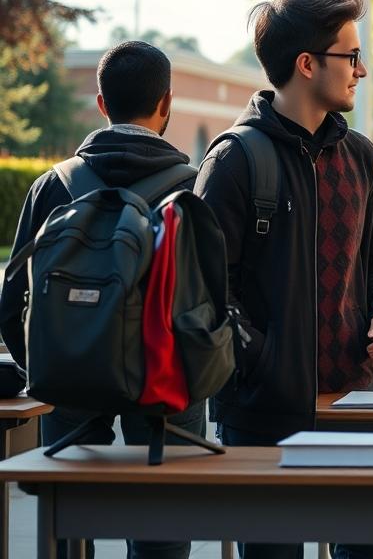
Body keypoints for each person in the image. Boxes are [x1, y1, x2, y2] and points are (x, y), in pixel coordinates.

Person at [195, 0, 373, 559]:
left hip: (350, 403)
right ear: (306, 64)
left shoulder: (361, 156)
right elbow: (207, 291)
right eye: (350, 57)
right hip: (261, 416)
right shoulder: (234, 159)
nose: (361, 70)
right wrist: (265, 360)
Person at [0, 40, 201, 559]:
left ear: (102, 104)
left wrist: (44, 364)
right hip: (166, 382)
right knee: (164, 532)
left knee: (65, 526)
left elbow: (12, 295)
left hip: (70, 375)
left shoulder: (54, 186)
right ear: (167, 104)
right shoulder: (193, 189)